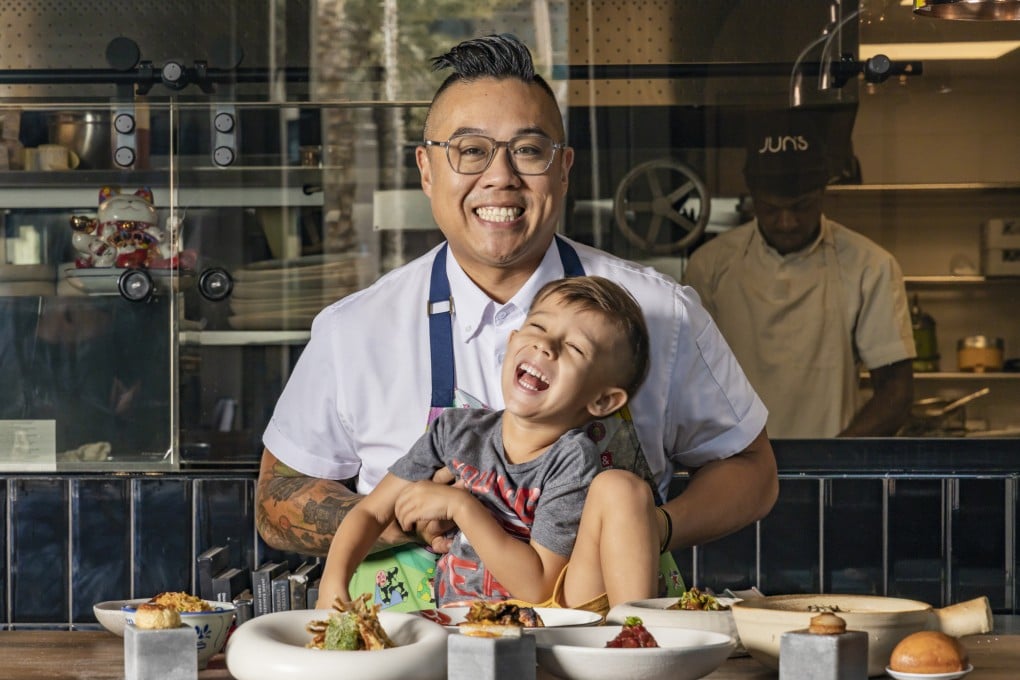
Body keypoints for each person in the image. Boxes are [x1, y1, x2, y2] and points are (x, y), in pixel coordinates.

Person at [256, 33, 778, 611]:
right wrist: (400, 516)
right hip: (411, 651)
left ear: (563, 171)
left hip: (594, 647)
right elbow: (276, 496)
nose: (500, 177)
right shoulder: (352, 330)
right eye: (470, 150)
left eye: (529, 151)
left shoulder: (662, 312)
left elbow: (753, 470)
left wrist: (652, 526)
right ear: (427, 170)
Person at [316, 276, 659, 613]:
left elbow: (537, 588)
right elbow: (371, 511)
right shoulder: (455, 431)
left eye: (574, 348)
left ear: (602, 401)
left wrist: (461, 507)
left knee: (620, 487)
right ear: (512, 342)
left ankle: (638, 639)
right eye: (538, 328)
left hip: (552, 621)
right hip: (457, 618)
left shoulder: (572, 459)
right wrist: (333, 582)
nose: (546, 346)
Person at [683, 109, 915, 438]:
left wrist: (832, 461)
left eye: (802, 206)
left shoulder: (870, 266)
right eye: (770, 208)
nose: (786, 222)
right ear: (752, 197)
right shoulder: (710, 265)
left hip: (829, 466)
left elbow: (897, 394)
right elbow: (690, 379)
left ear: (823, 194)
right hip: (735, 464)